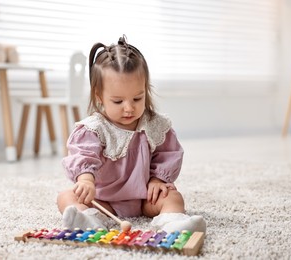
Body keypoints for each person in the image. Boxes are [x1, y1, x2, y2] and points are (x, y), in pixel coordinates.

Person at [57, 35, 206, 234]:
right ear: (99, 96)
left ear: (145, 90)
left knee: (173, 197)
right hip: (103, 201)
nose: (129, 108)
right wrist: (85, 180)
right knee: (66, 197)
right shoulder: (94, 128)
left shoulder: (155, 125)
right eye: (118, 101)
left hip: (145, 198)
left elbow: (169, 154)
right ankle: (87, 220)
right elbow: (83, 155)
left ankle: (173, 222)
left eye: (137, 98)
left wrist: (158, 180)